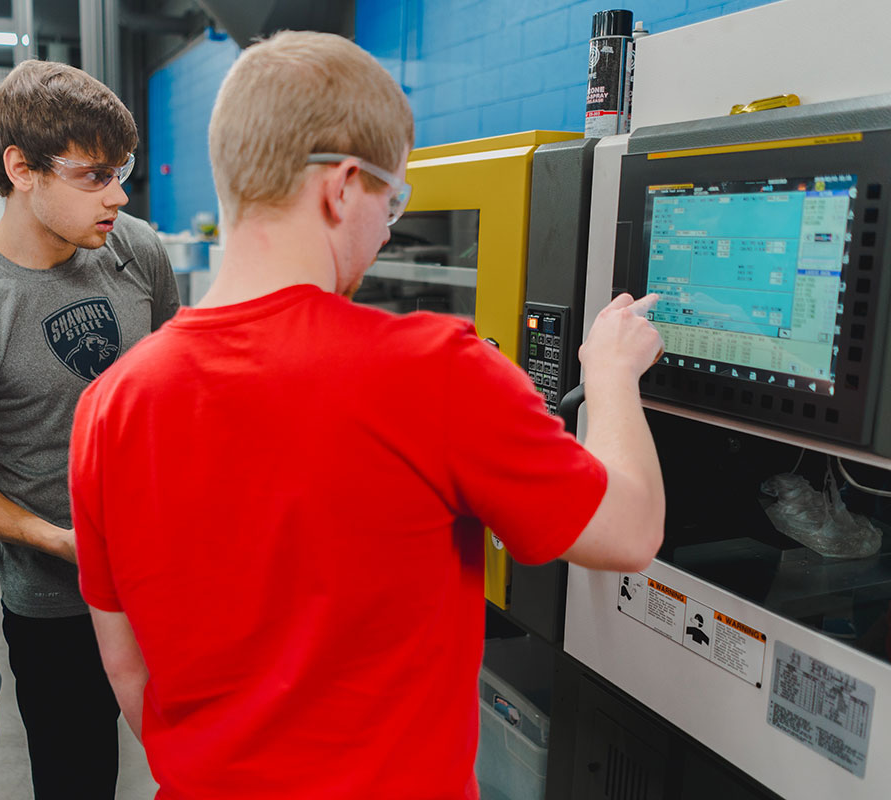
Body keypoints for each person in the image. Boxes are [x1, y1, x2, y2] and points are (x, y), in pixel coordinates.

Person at [68, 30, 666, 799]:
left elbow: (126, 664)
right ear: (342, 186)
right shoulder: (434, 370)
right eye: (393, 201)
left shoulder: (108, 405)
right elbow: (629, 531)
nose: (388, 231)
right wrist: (612, 371)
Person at [0, 60, 179, 799]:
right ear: (21, 168)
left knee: (202, 763)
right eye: (94, 175)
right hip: (57, 606)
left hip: (169, 577)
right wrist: (60, 541)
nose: (118, 196)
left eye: (120, 172)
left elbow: (175, 390)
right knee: (77, 780)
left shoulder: (137, 250)